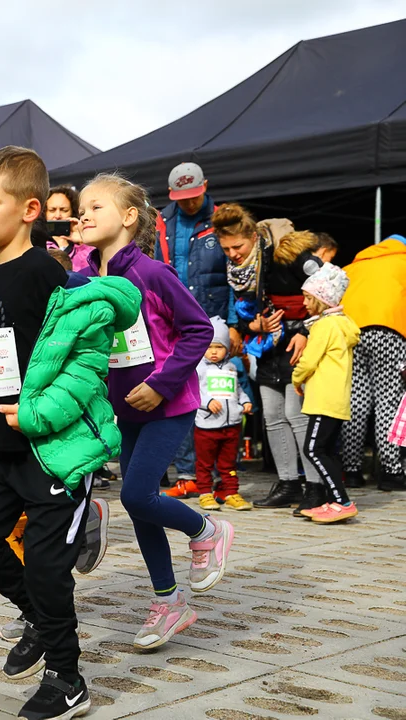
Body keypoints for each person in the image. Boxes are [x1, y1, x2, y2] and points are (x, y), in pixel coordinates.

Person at [0, 148, 142, 719]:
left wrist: (37, 416)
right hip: (3, 450)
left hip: (53, 451)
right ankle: (37, 618)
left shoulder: (44, 275)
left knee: (46, 565)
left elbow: (85, 365)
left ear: (30, 209)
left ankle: (68, 678)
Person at [80, 173, 231, 650]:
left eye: (96, 206)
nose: (83, 214)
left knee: (138, 496)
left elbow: (198, 331)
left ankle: (207, 529)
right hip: (124, 412)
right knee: (140, 507)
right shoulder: (86, 278)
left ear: (128, 217)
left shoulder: (152, 273)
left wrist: (161, 385)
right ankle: (169, 602)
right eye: (81, 207)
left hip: (169, 406)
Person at [215, 212, 324, 509]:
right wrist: (251, 327)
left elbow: (331, 287)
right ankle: (288, 483)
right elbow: (246, 312)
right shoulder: (239, 270)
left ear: (253, 238)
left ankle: (316, 487)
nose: (233, 255)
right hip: (266, 349)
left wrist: (304, 330)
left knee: (297, 414)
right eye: (226, 249)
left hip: (298, 346)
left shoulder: (289, 255)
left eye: (237, 247)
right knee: (273, 417)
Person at [155, 163, 234, 491]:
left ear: (206, 186)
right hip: (172, 322)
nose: (189, 203)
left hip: (212, 322)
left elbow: (233, 274)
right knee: (182, 396)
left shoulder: (222, 219)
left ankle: (222, 476)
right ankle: (188, 474)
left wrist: (233, 324)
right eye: (182, 198)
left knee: (216, 394)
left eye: (194, 196)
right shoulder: (162, 221)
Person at [292, 264, 360, 522]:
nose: (305, 302)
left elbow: (308, 361)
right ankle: (334, 500)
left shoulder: (323, 327)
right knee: (327, 450)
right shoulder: (343, 325)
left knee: (313, 449)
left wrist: (296, 379)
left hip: (323, 399)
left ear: (323, 300)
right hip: (337, 399)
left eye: (309, 297)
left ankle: (342, 501)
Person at [342, 235, 406, 492]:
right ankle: (391, 472)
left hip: (350, 332)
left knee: (355, 402)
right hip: (389, 332)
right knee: (387, 402)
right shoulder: (402, 262)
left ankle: (351, 470)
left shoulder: (354, 266)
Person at [194, 317, 254, 511]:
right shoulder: (199, 368)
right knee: (205, 463)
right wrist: (207, 402)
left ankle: (231, 492)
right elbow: (193, 392)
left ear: (227, 349)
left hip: (232, 425)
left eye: (219, 347)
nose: (213, 352)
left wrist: (244, 401)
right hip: (207, 426)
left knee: (229, 463)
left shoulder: (231, 367)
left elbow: (237, 389)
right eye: (209, 346)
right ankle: (205, 492)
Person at [42, 185, 92, 272]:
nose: (57, 216)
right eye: (52, 210)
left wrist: (83, 241)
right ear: (44, 212)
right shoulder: (36, 241)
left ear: (73, 211)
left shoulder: (84, 243)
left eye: (64, 210)